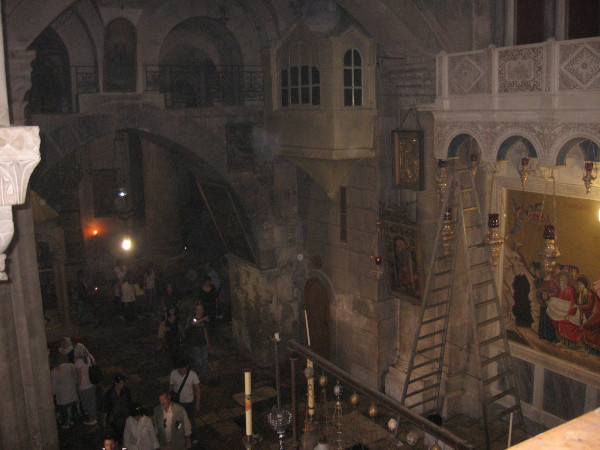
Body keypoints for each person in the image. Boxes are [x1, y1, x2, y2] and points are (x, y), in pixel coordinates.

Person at [153, 385, 192, 450]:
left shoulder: (179, 409)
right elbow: (156, 429)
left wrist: (188, 440)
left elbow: (187, 426)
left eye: (164, 399)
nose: (163, 402)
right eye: (161, 400)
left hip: (178, 444)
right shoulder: (157, 411)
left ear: (169, 397)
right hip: (164, 445)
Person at [169, 357, 201, 429]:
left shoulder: (193, 374)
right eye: (179, 370)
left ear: (186, 367)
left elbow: (197, 389)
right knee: (178, 418)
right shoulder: (173, 374)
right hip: (178, 402)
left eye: (183, 370)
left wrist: (197, 403)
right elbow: (171, 387)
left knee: (190, 419)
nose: (181, 372)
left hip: (189, 402)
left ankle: (191, 432)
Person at [50, 351, 78, 429]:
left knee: (64, 413)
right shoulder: (71, 366)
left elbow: (53, 385)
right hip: (72, 393)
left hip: (62, 396)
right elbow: (75, 378)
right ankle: (71, 421)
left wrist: (53, 394)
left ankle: (66, 423)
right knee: (71, 410)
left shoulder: (54, 371)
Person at [103, 373, 133, 443]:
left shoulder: (126, 391)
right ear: (116, 383)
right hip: (115, 418)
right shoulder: (110, 393)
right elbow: (106, 407)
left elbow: (129, 403)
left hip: (125, 416)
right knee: (117, 435)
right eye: (120, 383)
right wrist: (104, 420)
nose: (122, 385)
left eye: (123, 383)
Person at [74, 343, 98, 426]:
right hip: (91, 382)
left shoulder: (78, 362)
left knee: (85, 402)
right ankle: (94, 417)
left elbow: (79, 376)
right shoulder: (90, 357)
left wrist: (78, 385)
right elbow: (95, 365)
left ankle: (90, 419)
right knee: (92, 401)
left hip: (84, 385)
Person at [184, 304, 210, 378]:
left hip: (203, 342)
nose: (201, 310)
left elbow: (205, 331)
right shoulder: (193, 318)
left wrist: (207, 342)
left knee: (205, 359)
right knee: (198, 360)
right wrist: (203, 319)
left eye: (202, 309)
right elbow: (193, 323)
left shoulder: (204, 320)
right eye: (199, 309)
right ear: (196, 311)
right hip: (195, 343)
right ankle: (195, 371)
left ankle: (203, 374)